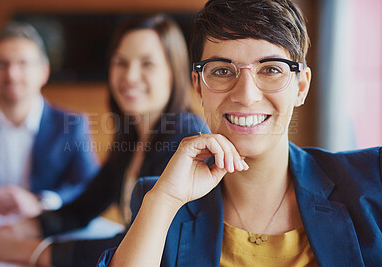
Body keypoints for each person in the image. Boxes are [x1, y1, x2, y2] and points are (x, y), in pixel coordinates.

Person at [97, 0, 382, 266]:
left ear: (301, 87)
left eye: (270, 69)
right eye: (222, 71)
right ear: (198, 86)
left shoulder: (371, 182)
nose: (246, 95)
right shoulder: (161, 200)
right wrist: (165, 200)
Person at [0, 14, 209, 266]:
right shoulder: (132, 137)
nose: (130, 76)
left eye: (147, 64)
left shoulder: (186, 136)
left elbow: (137, 242)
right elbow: (81, 208)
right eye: (121, 62)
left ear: (174, 72)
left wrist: (29, 250)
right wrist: (22, 228)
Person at [0, 21, 99, 217]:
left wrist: (41, 202)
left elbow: (88, 186)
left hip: (42, 229)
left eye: (23, 63)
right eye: (2, 64)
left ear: (44, 72)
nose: (11, 74)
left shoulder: (71, 125)